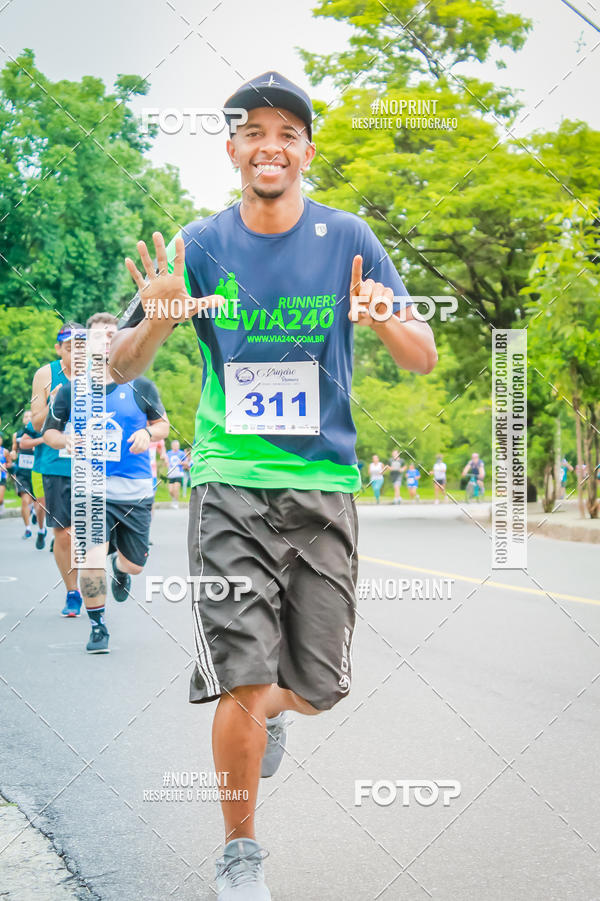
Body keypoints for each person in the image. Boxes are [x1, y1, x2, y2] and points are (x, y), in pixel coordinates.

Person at [109, 70, 437, 899]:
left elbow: (422, 354)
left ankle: (270, 712)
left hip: (323, 483)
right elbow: (117, 366)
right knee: (245, 679)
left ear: (306, 152)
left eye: (287, 133)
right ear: (232, 150)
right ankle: (241, 851)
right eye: (254, 132)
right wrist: (160, 314)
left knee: (317, 689)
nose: (270, 146)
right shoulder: (200, 244)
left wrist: (385, 315)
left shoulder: (350, 237)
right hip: (230, 482)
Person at [43, 313, 169, 654]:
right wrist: (64, 441)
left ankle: (121, 566)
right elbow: (50, 432)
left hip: (135, 490)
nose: (107, 341)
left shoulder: (141, 386)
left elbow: (162, 426)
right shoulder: (71, 390)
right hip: (90, 488)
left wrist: (146, 433)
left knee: (134, 564)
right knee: (90, 558)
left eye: (114, 335)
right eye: (100, 336)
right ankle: (98, 626)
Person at [31, 323, 83, 615]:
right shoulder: (45, 374)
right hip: (57, 462)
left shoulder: (98, 373)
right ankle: (72, 591)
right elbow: (37, 424)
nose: (76, 353)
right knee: (64, 533)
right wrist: (51, 403)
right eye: (69, 347)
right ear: (59, 348)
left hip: (94, 462)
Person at [10, 410, 46, 542]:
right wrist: (13, 454)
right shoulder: (17, 435)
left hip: (37, 471)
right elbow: (15, 449)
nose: (28, 418)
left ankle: (40, 522)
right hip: (22, 473)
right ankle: (28, 528)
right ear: (23, 420)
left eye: (31, 416)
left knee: (39, 504)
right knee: (25, 500)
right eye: (26, 416)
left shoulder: (39, 431)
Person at [166, 439, 186, 507]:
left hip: (179, 473)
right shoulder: (169, 453)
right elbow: (166, 461)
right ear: (172, 446)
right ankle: (174, 498)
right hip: (171, 474)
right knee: (171, 490)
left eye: (177, 445)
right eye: (175, 445)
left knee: (176, 489)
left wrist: (182, 463)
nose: (176, 447)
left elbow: (186, 462)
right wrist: (167, 463)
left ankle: (176, 502)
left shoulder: (181, 453)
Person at [0, 435, 11, 514]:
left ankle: (1, 504)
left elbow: (9, 463)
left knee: (0, 498)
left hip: (2, 476)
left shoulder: (5, 451)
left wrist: (5, 466)